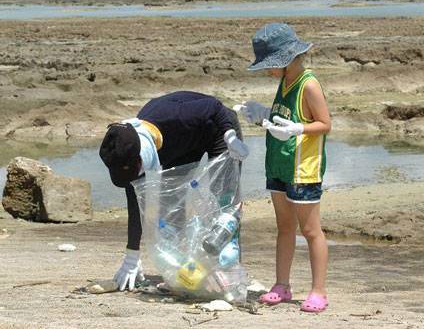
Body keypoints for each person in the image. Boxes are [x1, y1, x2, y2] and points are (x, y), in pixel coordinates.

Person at [99, 91, 249, 292]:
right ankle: (183, 271)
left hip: (217, 129)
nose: (136, 175)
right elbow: (135, 200)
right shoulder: (124, 150)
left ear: (139, 159)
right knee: (172, 206)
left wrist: (230, 136)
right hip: (182, 145)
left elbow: (214, 106)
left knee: (223, 204)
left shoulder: (172, 115)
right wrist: (132, 255)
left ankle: (229, 272)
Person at [238, 22, 331, 312]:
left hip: (304, 168)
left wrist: (298, 129)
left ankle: (318, 291)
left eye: (270, 65)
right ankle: (282, 285)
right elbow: (282, 115)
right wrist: (264, 114)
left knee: (311, 229)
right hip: (278, 164)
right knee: (284, 227)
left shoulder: (309, 83)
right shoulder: (284, 81)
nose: (268, 71)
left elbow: (325, 124)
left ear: (286, 59)